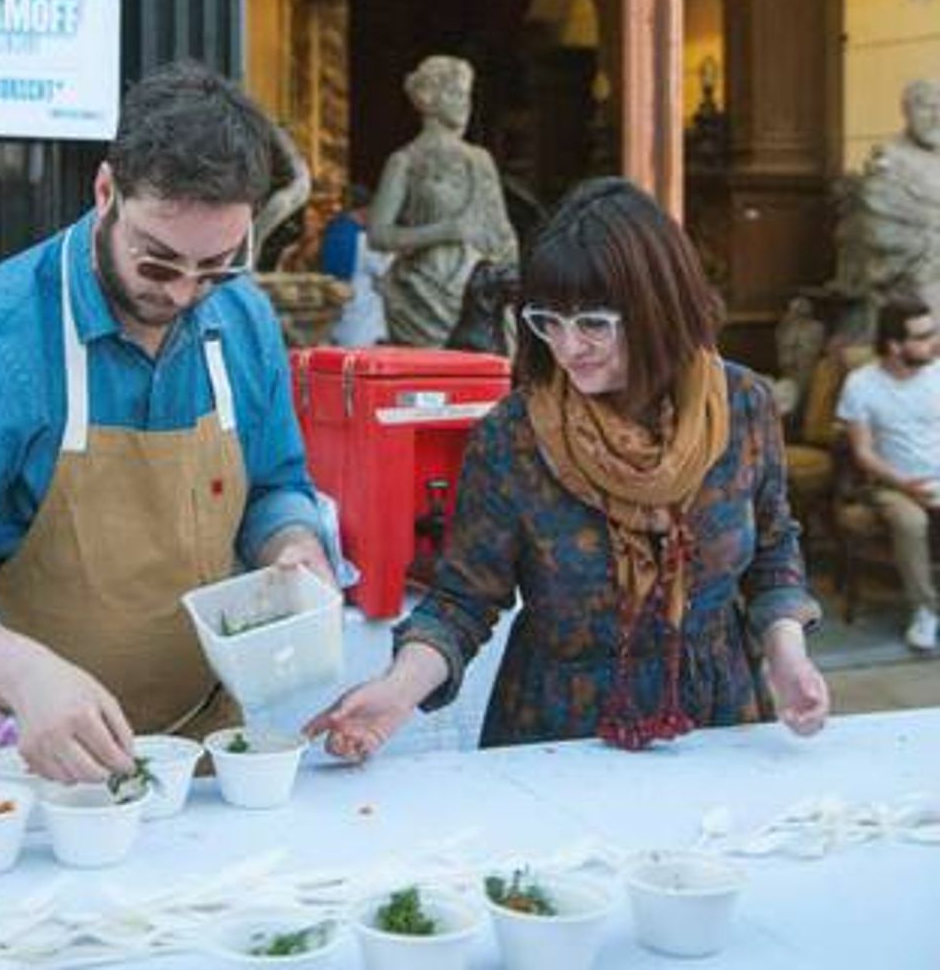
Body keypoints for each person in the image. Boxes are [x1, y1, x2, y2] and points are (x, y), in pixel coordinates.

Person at [0, 62, 334, 783]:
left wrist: (294, 546)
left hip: (195, 745)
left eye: (215, 267)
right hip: (12, 750)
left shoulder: (244, 320)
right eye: (158, 263)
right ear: (107, 191)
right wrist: (23, 675)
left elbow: (275, 485)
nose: (184, 293)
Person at [307, 177, 829, 758]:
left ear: (658, 307)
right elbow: (465, 600)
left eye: (592, 324)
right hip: (559, 731)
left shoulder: (742, 406)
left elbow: (772, 552)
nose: (566, 347)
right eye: (548, 321)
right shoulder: (515, 434)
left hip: (717, 717)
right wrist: (398, 692)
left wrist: (787, 656)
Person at [368, 55, 518, 348]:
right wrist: (443, 231)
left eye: (467, 95)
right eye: (455, 93)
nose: (465, 103)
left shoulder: (479, 160)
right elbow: (378, 234)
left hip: (474, 283)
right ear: (430, 99)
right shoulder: (405, 161)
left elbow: (501, 233)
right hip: (420, 292)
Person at [836, 295, 940, 652]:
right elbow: (863, 454)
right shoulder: (861, 384)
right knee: (911, 521)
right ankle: (926, 610)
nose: (934, 342)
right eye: (923, 336)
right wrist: (905, 485)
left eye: (933, 332)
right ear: (895, 345)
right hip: (890, 484)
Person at [843, 80, 940, 329]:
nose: (936, 116)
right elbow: (880, 230)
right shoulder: (889, 161)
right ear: (907, 111)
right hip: (916, 273)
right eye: (927, 107)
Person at [320, 185, 391, 348]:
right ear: (365, 210)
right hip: (364, 322)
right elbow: (385, 269)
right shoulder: (365, 240)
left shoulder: (332, 231)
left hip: (337, 315)